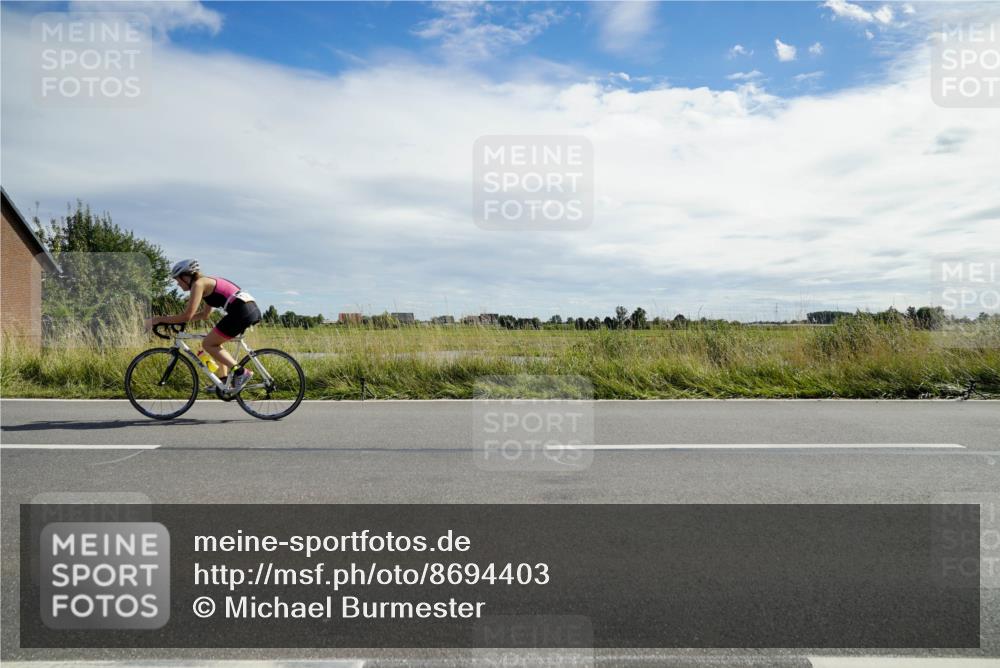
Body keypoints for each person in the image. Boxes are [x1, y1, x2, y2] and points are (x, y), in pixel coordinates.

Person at [146, 259, 261, 391]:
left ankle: (240, 372)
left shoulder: (199, 284)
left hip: (241, 311)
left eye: (177, 280)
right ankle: (224, 380)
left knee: (208, 344)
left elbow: (187, 316)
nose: (177, 284)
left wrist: (159, 319)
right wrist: (174, 320)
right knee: (215, 344)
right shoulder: (207, 284)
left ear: (185, 276)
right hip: (246, 309)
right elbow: (204, 315)